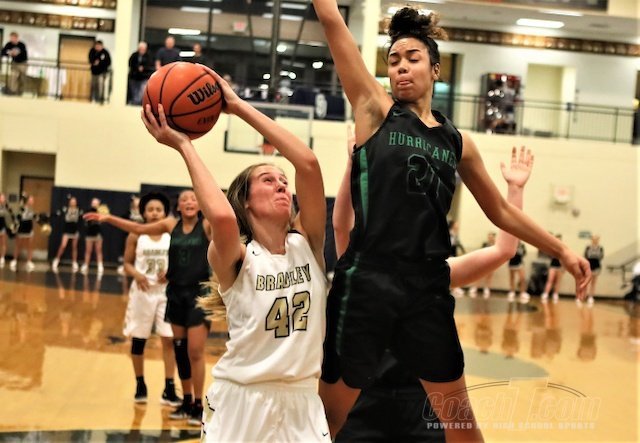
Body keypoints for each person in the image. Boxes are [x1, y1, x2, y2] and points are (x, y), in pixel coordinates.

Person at [311, 3, 591, 439]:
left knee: (462, 427)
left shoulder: (457, 143)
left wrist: (562, 250)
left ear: (436, 69)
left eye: (412, 58)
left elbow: (501, 212)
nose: (401, 67)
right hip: (368, 278)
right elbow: (332, 20)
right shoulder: (373, 109)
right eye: (393, 60)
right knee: (327, 421)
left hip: (426, 286)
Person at [140, 70, 330, 441]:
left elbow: (307, 163)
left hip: (303, 399)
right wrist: (184, 145)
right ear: (245, 200)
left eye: (283, 181)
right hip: (242, 399)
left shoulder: (307, 243)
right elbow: (223, 218)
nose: (281, 185)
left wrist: (238, 106)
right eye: (268, 180)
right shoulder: (237, 257)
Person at [332, 129, 533, 441]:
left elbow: (503, 250)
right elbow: (340, 225)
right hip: (364, 400)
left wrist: (515, 191)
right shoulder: (362, 266)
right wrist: (353, 162)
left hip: (421, 403)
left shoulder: (433, 274)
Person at [85, 189, 212, 426]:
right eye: (184, 199)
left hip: (197, 295)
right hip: (173, 294)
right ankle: (185, 402)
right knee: (179, 349)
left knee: (194, 351)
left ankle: (197, 404)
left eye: (194, 198)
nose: (189, 201)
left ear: (200, 204)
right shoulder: (170, 225)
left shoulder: (207, 226)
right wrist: (109, 218)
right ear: (178, 206)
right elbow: (137, 228)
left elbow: (224, 222)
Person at [122, 192, 181, 407]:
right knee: (139, 340)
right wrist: (136, 274)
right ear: (143, 213)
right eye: (150, 210)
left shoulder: (172, 234)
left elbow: (180, 261)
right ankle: (140, 384)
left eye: (159, 210)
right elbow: (127, 264)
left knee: (168, 339)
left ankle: (169, 387)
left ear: (165, 213)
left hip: (166, 292)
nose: (155, 213)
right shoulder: (136, 235)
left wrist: (171, 272)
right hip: (142, 292)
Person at [9, 194, 40, 272]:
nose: (32, 201)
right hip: (21, 230)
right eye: (31, 200)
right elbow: (17, 218)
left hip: (29, 230)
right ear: (27, 201)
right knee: (18, 245)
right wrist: (15, 227)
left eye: (33, 200)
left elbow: (35, 219)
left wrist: (39, 219)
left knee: (30, 246)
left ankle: (29, 261)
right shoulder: (22, 209)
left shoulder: (32, 210)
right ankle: (14, 260)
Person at [467, 232, 496, 298]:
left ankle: (487, 288)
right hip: (484, 261)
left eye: (491, 237)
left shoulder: (496, 245)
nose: (490, 238)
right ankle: (475, 287)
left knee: (489, 276)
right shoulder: (485, 244)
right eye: (489, 237)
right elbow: (481, 251)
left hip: (492, 262)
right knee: (480, 274)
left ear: (494, 237)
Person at [81, 198, 105, 275]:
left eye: (96, 203)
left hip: (98, 234)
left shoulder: (101, 211)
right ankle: (86, 265)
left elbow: (104, 219)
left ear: (98, 204)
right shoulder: (88, 211)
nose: (94, 204)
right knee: (88, 251)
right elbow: (85, 219)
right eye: (93, 203)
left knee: (98, 251)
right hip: (89, 234)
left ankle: (100, 266)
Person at [541, 234, 565, 304]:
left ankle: (555, 294)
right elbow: (548, 255)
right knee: (550, 280)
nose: (558, 240)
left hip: (560, 266)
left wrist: (564, 268)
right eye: (557, 239)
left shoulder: (563, 248)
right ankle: (546, 293)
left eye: (559, 239)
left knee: (558, 281)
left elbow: (564, 258)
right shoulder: (552, 247)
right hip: (553, 266)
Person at [583, 234, 604, 306]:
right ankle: (583, 296)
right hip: (589, 266)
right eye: (594, 239)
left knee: (593, 283)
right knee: (587, 282)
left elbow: (601, 257)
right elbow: (585, 256)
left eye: (596, 239)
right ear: (591, 240)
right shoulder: (588, 247)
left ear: (598, 240)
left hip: (596, 266)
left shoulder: (600, 248)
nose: (595, 240)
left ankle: (591, 297)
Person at [0, 192, 12, 268]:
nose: (3, 199)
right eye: (2, 197)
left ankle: (2, 258)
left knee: (3, 243)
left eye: (4, 198)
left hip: (3, 226)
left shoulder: (6, 206)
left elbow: (10, 215)